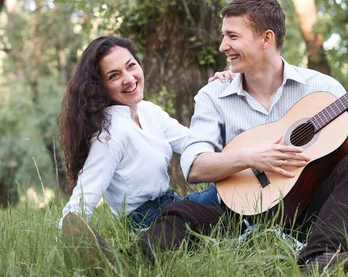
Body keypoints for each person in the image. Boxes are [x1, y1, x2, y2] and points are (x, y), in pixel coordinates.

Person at [132, 0, 348, 275]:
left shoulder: (323, 89)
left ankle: (319, 259)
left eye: (233, 36)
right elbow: (194, 167)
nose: (223, 46)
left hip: (305, 208)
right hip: (240, 211)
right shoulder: (213, 94)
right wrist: (252, 157)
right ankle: (118, 263)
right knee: (179, 215)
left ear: (266, 39)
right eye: (223, 36)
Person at [58, 36, 231, 232]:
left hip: (171, 206)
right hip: (146, 222)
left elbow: (195, 144)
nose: (129, 78)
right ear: (100, 87)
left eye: (131, 66)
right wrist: (69, 239)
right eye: (114, 76)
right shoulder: (111, 133)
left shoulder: (148, 111)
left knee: (230, 194)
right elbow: (84, 196)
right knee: (225, 207)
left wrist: (220, 92)